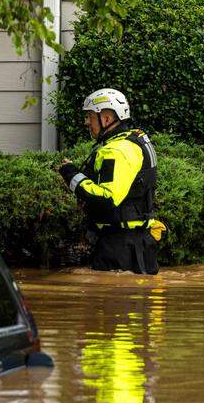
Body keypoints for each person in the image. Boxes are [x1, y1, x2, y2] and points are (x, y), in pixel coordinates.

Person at [58, 88, 162, 274]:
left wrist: (71, 174)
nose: (86, 122)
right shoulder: (133, 140)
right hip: (137, 242)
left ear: (106, 119)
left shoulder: (116, 151)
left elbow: (107, 198)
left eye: (90, 116)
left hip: (120, 247)